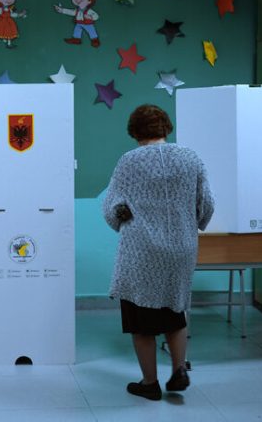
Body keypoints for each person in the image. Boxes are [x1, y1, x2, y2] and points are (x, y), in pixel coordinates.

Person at [102, 104, 214, 401]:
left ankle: (149, 383)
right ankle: (178, 370)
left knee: (141, 319)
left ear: (134, 131)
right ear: (166, 127)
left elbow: (112, 207)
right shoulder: (190, 158)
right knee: (175, 310)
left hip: (142, 249)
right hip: (181, 247)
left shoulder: (129, 161)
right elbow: (207, 204)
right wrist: (190, 223)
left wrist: (122, 216)